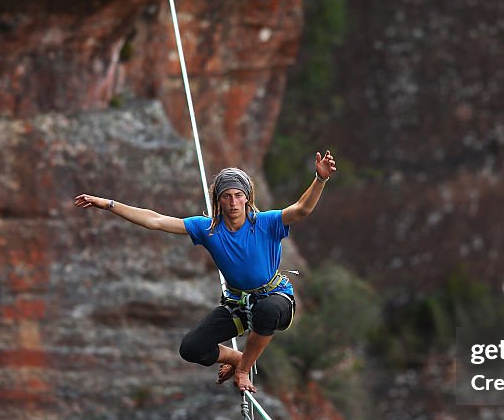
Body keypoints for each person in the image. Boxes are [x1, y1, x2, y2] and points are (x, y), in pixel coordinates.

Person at [74, 151, 336, 393]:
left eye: (238, 195)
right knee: (192, 348)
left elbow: (302, 209)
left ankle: (243, 368)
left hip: (275, 299)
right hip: (238, 306)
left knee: (265, 311)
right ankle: (237, 358)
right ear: (218, 200)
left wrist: (319, 179)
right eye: (226, 196)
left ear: (247, 198)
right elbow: (155, 220)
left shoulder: (266, 223)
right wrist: (108, 204)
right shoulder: (208, 228)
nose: (233, 202)